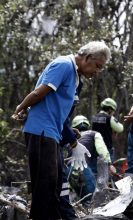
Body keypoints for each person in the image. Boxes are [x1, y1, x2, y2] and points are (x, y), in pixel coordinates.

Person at [11, 41, 111, 219]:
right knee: (45, 187)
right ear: (87, 57)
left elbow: (58, 110)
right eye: (97, 66)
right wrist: (21, 107)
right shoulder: (64, 65)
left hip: (53, 134)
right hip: (41, 131)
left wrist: (71, 135)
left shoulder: (75, 77)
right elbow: (39, 92)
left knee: (56, 186)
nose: (97, 72)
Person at [66, 115, 116, 206]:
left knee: (79, 198)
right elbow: (102, 150)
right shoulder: (94, 133)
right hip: (82, 168)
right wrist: (109, 164)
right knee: (92, 200)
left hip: (68, 170)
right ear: (87, 124)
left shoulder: (71, 139)